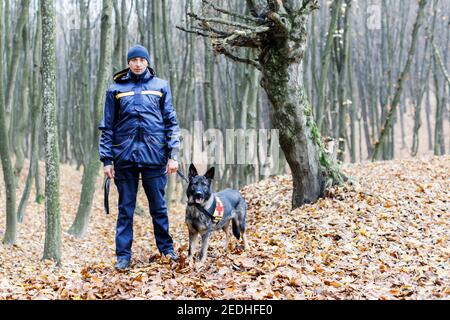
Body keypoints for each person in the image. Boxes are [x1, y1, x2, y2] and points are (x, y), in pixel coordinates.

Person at [98, 45, 180, 270]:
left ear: (147, 62)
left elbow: (171, 123)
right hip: (124, 159)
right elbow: (107, 127)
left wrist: (172, 155)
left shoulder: (160, 86)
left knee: (159, 208)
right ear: (128, 62)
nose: (137, 63)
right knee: (125, 210)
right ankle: (123, 256)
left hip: (155, 158)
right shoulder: (115, 89)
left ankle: (167, 250)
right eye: (133, 59)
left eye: (141, 60)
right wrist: (107, 160)